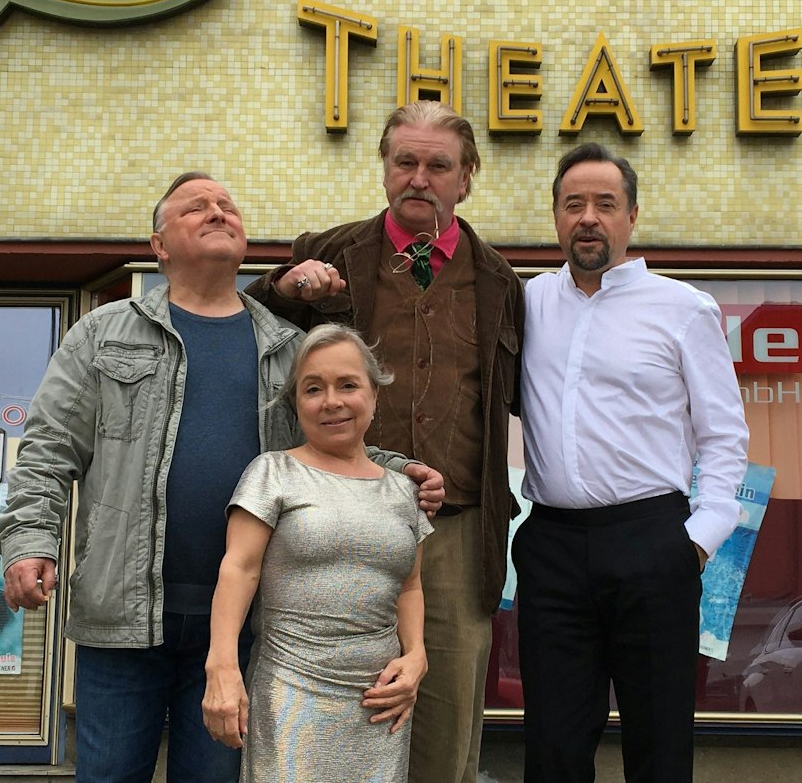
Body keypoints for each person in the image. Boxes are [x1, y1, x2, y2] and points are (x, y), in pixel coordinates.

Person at [0, 172, 442, 783]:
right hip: (123, 620)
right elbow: (47, 452)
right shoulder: (103, 333)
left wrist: (398, 471)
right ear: (158, 245)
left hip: (242, 628)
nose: (216, 211)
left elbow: (330, 446)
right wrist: (29, 543)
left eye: (227, 206)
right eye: (195, 207)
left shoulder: (287, 347)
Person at [247, 101, 522, 783]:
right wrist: (284, 286)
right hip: (335, 521)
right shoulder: (330, 251)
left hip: (453, 531)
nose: (419, 177)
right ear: (384, 169)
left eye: (438, 164)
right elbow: (249, 324)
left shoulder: (501, 283)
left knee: (445, 724)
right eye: (405, 161)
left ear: (467, 177)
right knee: (328, 714)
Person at [515, 143, 749, 783]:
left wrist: (699, 540)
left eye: (605, 204)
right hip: (551, 548)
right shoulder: (528, 304)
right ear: (557, 217)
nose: (588, 217)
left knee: (660, 743)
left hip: (653, 546)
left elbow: (724, 435)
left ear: (632, 216)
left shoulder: (683, 309)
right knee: (554, 747)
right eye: (573, 205)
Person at [203, 325, 434, 782]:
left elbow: (410, 586)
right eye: (313, 388)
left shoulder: (403, 490)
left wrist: (417, 656)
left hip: (380, 703)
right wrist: (222, 666)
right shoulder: (273, 473)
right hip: (291, 693)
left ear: (373, 395)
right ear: (296, 404)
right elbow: (239, 569)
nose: (331, 401)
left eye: (347, 385)